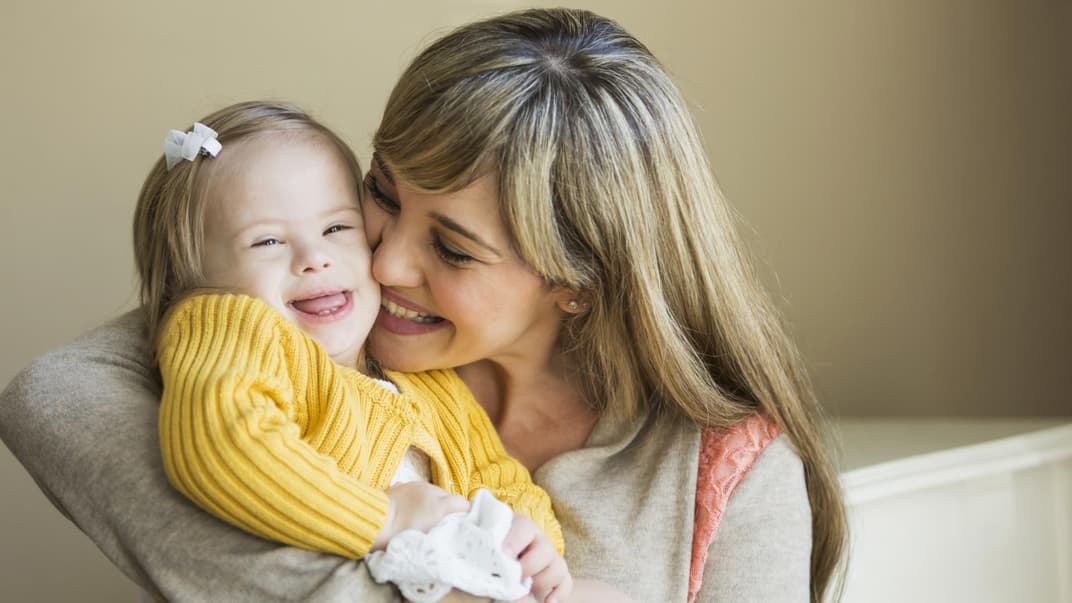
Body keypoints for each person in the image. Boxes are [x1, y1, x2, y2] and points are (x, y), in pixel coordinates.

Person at [0, 7, 847, 603]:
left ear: (578, 281)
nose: (383, 257)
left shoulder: (726, 470)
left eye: (450, 247)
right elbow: (49, 397)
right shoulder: (313, 319)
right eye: (379, 193)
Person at [138, 101, 574, 602]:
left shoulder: (421, 380)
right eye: (267, 242)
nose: (315, 259)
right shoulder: (232, 328)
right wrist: (384, 517)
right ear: (193, 282)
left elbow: (493, 473)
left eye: (337, 229)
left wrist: (532, 541)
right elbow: (222, 444)